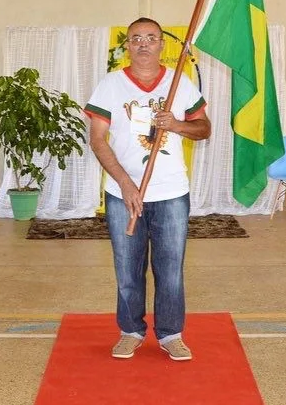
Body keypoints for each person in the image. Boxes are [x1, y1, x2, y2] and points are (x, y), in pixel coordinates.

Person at [84, 18, 211, 361]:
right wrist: (125, 183)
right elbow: (97, 140)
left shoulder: (178, 83)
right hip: (122, 193)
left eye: (151, 38)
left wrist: (178, 124)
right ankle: (130, 331)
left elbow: (203, 129)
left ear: (162, 46)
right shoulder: (111, 85)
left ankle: (171, 334)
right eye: (136, 38)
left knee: (170, 269)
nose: (143, 43)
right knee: (127, 268)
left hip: (170, 192)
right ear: (127, 45)